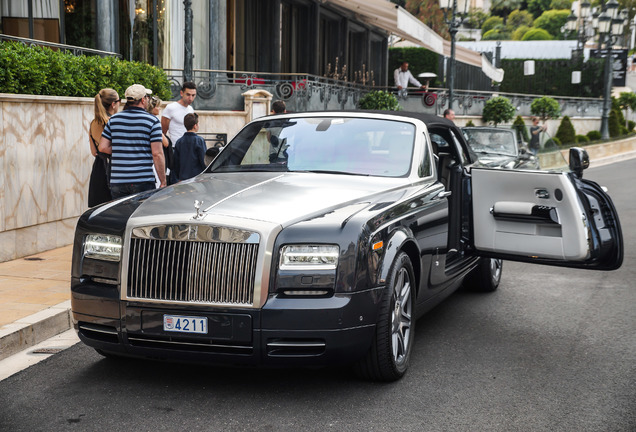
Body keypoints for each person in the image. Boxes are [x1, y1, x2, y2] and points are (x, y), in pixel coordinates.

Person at [99, 84, 166, 199]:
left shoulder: (114, 120)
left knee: (121, 216)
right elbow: (157, 153)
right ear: (143, 100)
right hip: (142, 180)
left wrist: (122, 150)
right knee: (140, 216)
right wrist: (163, 180)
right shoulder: (152, 121)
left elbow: (102, 147)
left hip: (118, 180)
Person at [88, 88, 120, 207]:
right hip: (113, 168)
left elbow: (93, 151)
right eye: (119, 101)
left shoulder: (93, 123)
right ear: (113, 104)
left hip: (98, 168)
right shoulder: (113, 122)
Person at [146, 95, 173, 186]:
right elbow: (165, 142)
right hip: (153, 161)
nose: (159, 109)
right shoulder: (153, 122)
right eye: (158, 106)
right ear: (152, 108)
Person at [173, 113, 206, 182]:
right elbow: (203, 160)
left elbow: (176, 163)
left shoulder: (179, 142)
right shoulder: (199, 140)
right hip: (197, 178)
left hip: (183, 178)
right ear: (195, 126)